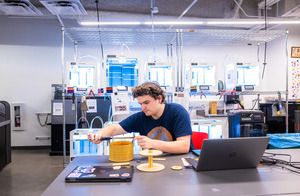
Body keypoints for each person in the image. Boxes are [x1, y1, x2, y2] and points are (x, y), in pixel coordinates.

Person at [87, 82, 194, 154]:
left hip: (180, 162)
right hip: (154, 161)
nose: (143, 108)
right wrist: (99, 134)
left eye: (146, 103)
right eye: (140, 104)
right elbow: (115, 128)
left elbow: (184, 146)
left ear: (159, 99)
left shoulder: (177, 112)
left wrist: (152, 143)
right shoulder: (141, 117)